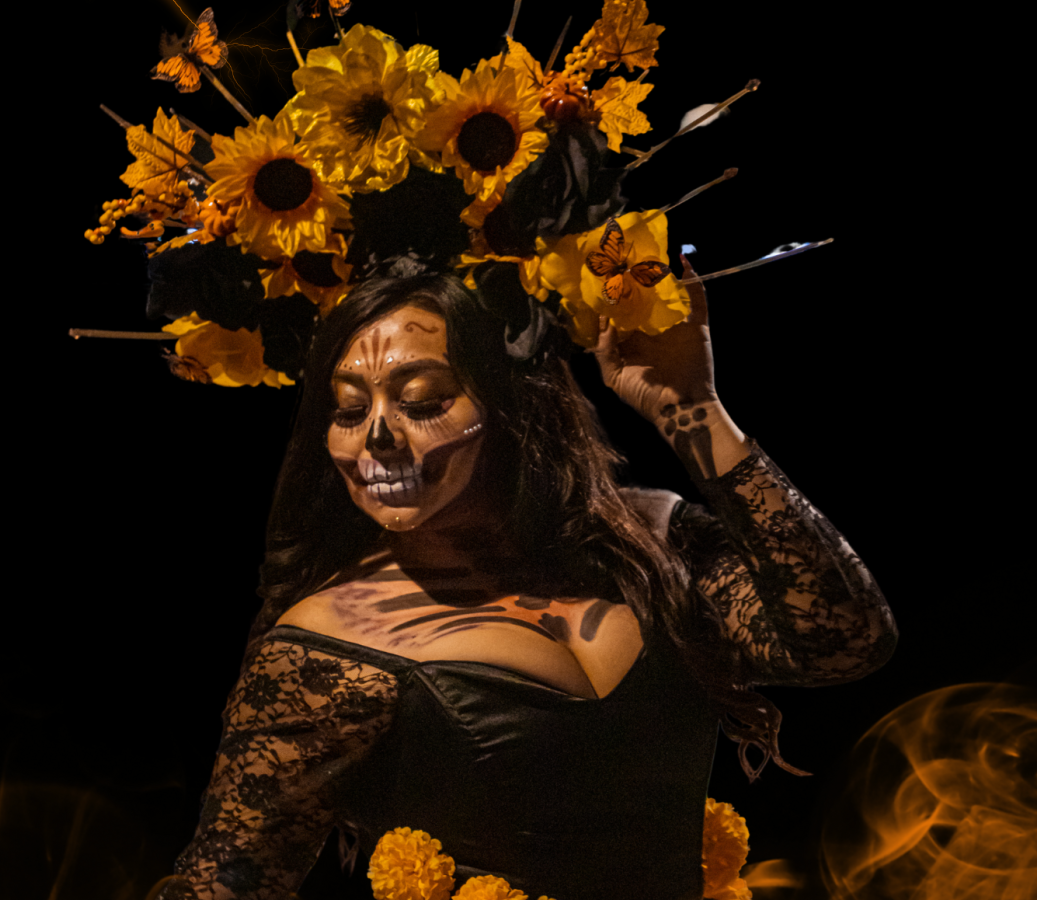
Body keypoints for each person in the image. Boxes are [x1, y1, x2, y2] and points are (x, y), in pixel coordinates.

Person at [156, 259, 898, 900]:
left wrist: (695, 413)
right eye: (348, 409)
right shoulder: (324, 650)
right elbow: (224, 883)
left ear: (511, 406)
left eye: (421, 400)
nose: (375, 435)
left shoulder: (646, 547)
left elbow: (844, 640)